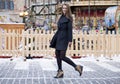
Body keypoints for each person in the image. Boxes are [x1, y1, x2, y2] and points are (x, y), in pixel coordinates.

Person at [50, 3, 83, 78]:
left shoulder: (69, 18)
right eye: (63, 8)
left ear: (68, 9)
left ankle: (77, 67)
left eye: (65, 8)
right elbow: (59, 27)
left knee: (62, 56)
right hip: (58, 37)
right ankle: (60, 71)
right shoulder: (61, 17)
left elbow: (69, 30)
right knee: (57, 54)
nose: (64, 9)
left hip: (64, 38)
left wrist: (70, 40)